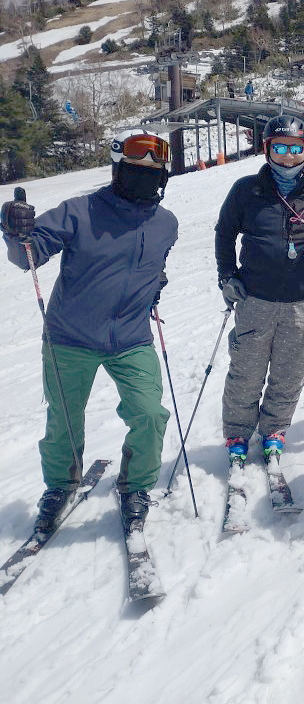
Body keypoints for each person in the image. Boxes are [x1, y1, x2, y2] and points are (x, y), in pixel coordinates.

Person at [1, 130, 177, 532]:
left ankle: (136, 486)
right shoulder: (80, 211)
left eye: (153, 171)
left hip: (131, 339)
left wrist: (154, 284)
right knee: (63, 420)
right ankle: (60, 485)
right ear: (117, 169)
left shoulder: (166, 223)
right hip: (70, 337)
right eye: (134, 168)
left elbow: (156, 264)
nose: (145, 177)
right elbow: (28, 254)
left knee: (150, 415)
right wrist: (15, 230)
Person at [215, 114, 304, 465]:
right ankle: (237, 433)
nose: (288, 157)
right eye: (280, 148)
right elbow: (224, 233)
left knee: (289, 374)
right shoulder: (246, 190)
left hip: (303, 303)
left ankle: (274, 430)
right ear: (267, 150)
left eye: (295, 149)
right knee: (246, 371)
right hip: (254, 299)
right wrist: (227, 275)